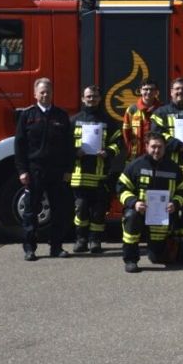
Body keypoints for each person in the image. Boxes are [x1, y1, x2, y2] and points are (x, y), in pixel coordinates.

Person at [14, 77, 75, 261]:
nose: (45, 95)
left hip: (57, 171)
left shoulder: (61, 116)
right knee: (31, 211)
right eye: (42, 92)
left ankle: (56, 247)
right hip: (35, 170)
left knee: (59, 211)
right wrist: (22, 171)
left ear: (52, 93)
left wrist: (68, 170)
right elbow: (19, 145)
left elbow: (68, 146)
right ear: (35, 94)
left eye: (48, 91)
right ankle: (29, 248)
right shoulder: (27, 116)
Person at [116, 132, 183, 273]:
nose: (156, 150)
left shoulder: (173, 167)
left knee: (157, 258)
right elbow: (121, 187)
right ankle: (131, 260)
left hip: (161, 217)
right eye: (153, 147)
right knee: (131, 217)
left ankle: (156, 250)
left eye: (160, 147)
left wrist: (175, 203)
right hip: (140, 212)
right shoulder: (135, 165)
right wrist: (134, 203)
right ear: (146, 147)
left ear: (165, 148)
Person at [70, 84, 122, 254]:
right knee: (81, 209)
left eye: (94, 96)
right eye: (88, 96)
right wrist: (74, 151)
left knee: (99, 212)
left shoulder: (108, 121)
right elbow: (64, 144)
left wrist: (108, 152)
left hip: (101, 175)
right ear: (83, 99)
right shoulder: (74, 120)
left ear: (100, 99)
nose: (91, 99)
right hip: (80, 175)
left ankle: (95, 241)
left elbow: (119, 143)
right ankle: (81, 239)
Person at [122, 78, 161, 162]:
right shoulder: (132, 109)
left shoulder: (162, 110)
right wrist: (130, 148)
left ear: (156, 92)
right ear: (140, 91)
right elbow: (126, 132)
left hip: (156, 155)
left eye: (151, 89)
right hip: (135, 156)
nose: (148, 92)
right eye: (145, 89)